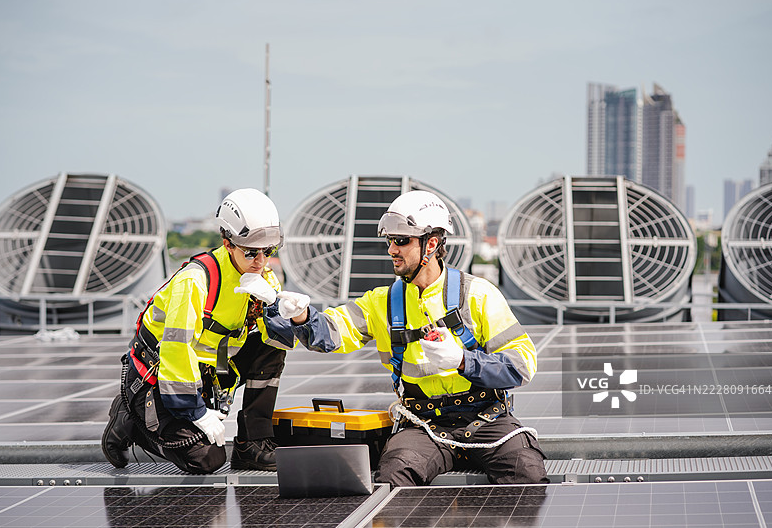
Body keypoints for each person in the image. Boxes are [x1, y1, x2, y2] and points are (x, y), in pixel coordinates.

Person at [280, 190, 549, 486]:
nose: (392, 250)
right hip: (423, 426)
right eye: (390, 241)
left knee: (527, 472)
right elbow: (330, 334)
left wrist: (463, 361)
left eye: (402, 241)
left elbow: (521, 365)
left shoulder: (478, 295)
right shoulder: (381, 303)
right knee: (394, 478)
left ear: (431, 244)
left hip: (488, 420)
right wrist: (302, 317)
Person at [101, 188, 296, 474]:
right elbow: (176, 353)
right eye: (252, 252)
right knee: (206, 459)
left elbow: (280, 340)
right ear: (228, 243)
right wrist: (196, 413)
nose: (261, 261)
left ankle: (253, 443)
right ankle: (130, 421)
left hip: (208, 375)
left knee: (272, 346)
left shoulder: (263, 278)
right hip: (158, 379)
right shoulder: (195, 281)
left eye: (269, 251)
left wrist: (276, 308)